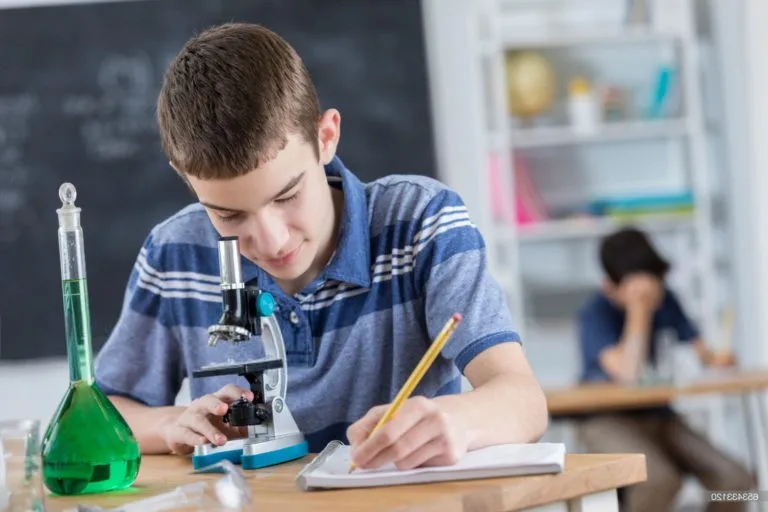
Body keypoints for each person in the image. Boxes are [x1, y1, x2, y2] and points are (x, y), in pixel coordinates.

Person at [93, 22, 548, 471]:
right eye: (229, 216)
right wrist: (173, 422)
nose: (272, 240)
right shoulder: (174, 253)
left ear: (326, 137)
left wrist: (458, 421)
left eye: (287, 196)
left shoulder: (421, 222)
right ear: (185, 178)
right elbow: (105, 415)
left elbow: (523, 399)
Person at [576, 227, 755, 511]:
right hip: (607, 418)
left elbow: (700, 351)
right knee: (659, 481)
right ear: (610, 287)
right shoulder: (595, 313)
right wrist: (639, 310)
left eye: (655, 282)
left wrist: (714, 358)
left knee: (736, 480)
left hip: (659, 415)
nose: (651, 293)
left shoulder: (667, 300)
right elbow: (626, 373)